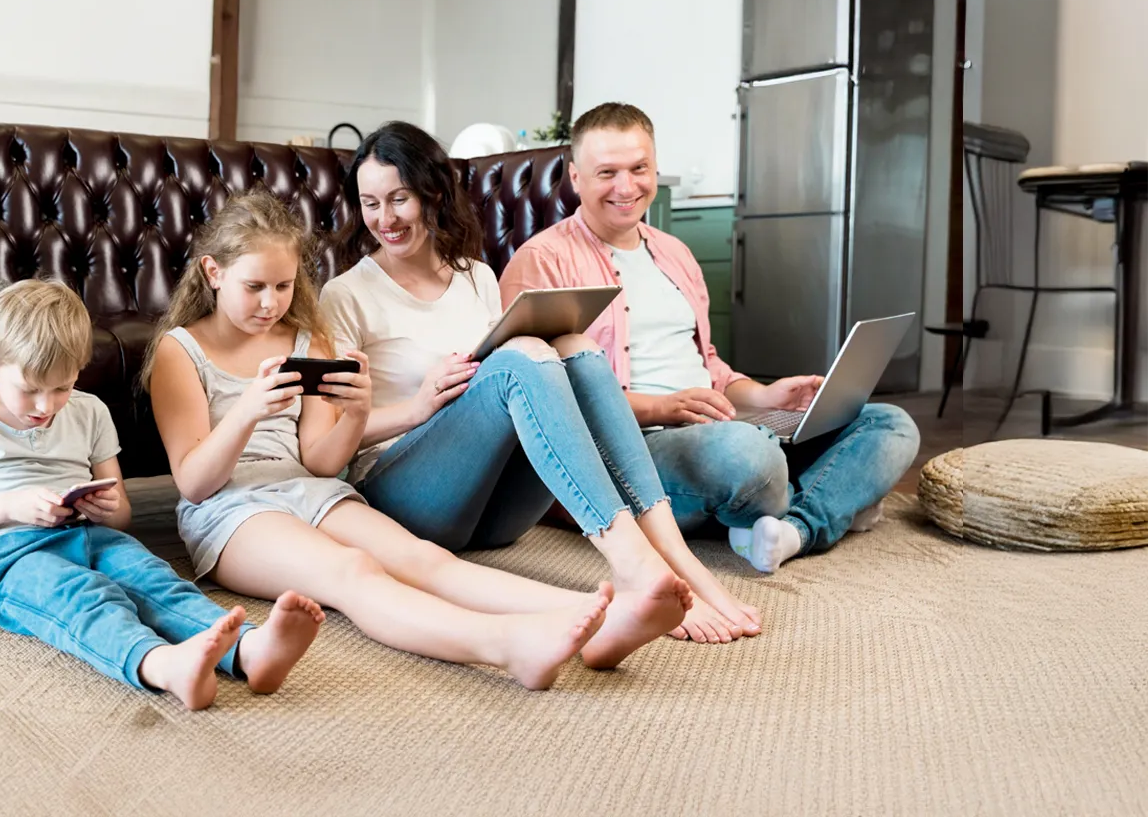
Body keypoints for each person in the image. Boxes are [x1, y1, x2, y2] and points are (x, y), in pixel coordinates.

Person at [147, 188, 659, 689]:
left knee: (425, 559)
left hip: (312, 489)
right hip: (231, 509)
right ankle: (504, 644)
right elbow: (194, 482)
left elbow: (320, 463)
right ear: (213, 272)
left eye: (282, 287)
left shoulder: (305, 336)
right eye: (255, 287)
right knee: (351, 571)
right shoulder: (180, 351)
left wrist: (356, 412)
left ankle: (605, 616)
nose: (271, 303)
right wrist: (246, 413)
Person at [319, 122, 755, 645]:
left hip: (492, 516)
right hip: (404, 502)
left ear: (432, 192)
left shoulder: (477, 276)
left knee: (577, 346)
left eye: (399, 199)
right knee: (522, 356)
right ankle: (632, 563)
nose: (384, 219)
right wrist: (417, 406)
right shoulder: (345, 295)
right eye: (370, 204)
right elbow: (327, 442)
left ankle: (674, 555)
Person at [500, 102, 921, 581]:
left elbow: (710, 366)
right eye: (607, 173)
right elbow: (543, 402)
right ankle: (831, 499)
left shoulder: (674, 252)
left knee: (888, 423)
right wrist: (664, 408)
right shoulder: (542, 262)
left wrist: (765, 395)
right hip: (635, 448)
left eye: (639, 169)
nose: (626, 187)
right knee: (750, 457)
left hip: (720, 423)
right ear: (576, 177)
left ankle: (793, 528)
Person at [0, 278, 324, 711]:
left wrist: (106, 509)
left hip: (94, 535)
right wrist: (6, 506)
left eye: (61, 388)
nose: (44, 406)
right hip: (14, 554)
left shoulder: (89, 410)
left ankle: (250, 649)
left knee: (155, 581)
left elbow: (121, 514)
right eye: (30, 389)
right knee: (84, 596)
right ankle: (165, 665)